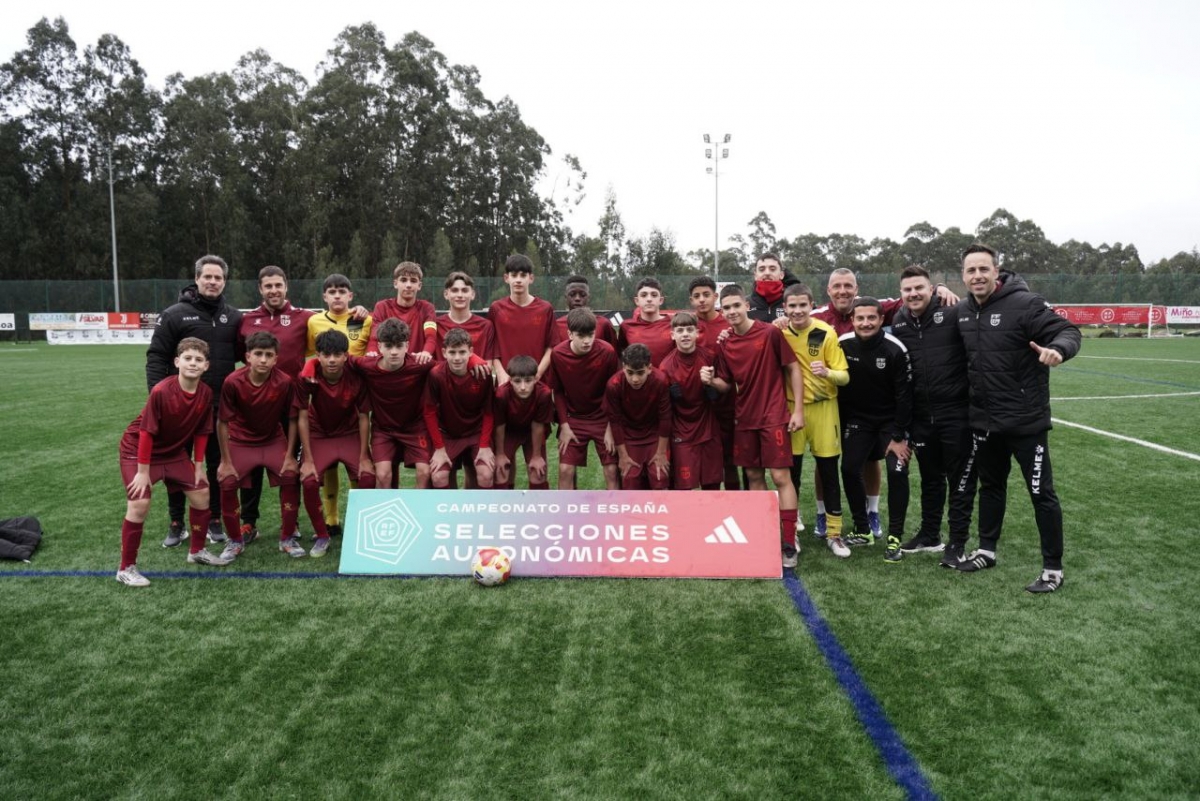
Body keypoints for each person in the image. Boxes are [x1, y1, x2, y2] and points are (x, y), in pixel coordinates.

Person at [955, 243, 1081, 593]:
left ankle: (1053, 569)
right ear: (963, 276)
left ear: (996, 271)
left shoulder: (1025, 303)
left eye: (984, 269)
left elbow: (1069, 331)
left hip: (1026, 422)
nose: (977, 276)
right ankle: (986, 551)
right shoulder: (963, 311)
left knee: (1041, 493)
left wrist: (1058, 349)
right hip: (985, 421)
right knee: (991, 488)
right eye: (971, 270)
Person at [700, 284, 805, 568]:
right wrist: (710, 380)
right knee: (754, 476)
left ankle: (788, 541)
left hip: (773, 416)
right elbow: (725, 385)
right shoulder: (725, 343)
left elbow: (793, 368)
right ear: (722, 311)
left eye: (737, 305)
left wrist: (797, 410)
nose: (732, 311)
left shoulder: (770, 333)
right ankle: (764, 536)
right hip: (744, 418)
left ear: (747, 306)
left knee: (781, 477)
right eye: (727, 308)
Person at [116, 338, 233, 586]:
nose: (193, 363)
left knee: (201, 492)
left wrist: (198, 467)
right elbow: (146, 433)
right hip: (138, 451)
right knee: (139, 503)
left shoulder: (205, 393)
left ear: (206, 366)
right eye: (188, 358)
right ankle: (126, 568)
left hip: (173, 453)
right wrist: (142, 472)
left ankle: (197, 551)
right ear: (177, 362)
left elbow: (202, 431)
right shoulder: (161, 391)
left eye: (198, 359)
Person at [146, 254, 242, 548]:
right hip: (179, 409)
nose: (213, 282)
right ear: (197, 279)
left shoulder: (234, 317)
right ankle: (177, 522)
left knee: (215, 464)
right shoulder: (174, 314)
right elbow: (157, 357)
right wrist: (158, 399)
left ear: (224, 281)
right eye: (207, 276)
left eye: (218, 277)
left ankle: (214, 519)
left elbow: (246, 354)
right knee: (177, 464)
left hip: (218, 408)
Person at [890, 265, 976, 567]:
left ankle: (957, 542)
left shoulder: (952, 311)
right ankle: (930, 535)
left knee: (960, 480)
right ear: (901, 293)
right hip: (922, 416)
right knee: (930, 478)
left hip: (956, 412)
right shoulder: (899, 320)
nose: (913, 294)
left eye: (919, 288)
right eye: (908, 289)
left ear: (931, 288)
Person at [236, 265, 314, 543]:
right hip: (255, 405)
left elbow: (337, 321)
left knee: (290, 463)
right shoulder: (246, 320)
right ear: (260, 289)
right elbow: (241, 356)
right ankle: (248, 523)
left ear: (286, 286)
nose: (273, 290)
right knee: (250, 465)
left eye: (278, 285)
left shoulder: (305, 317)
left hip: (290, 404)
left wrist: (360, 311)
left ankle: (290, 522)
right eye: (268, 286)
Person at [215, 331, 303, 559]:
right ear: (248, 357)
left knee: (290, 474)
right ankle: (235, 541)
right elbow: (222, 422)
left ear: (276, 359)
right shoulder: (233, 381)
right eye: (258, 354)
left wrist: (290, 456)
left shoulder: (284, 381)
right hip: (241, 441)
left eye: (269, 355)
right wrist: (225, 461)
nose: (263, 359)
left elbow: (293, 419)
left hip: (273, 440)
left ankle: (287, 537)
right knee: (227, 480)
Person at [837, 298, 914, 562]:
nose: (865, 323)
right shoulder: (843, 343)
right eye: (860, 318)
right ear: (852, 320)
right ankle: (862, 529)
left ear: (882, 319)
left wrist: (899, 436)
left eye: (871, 318)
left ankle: (895, 538)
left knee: (897, 471)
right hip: (859, 421)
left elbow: (905, 396)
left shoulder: (895, 348)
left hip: (891, 422)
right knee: (849, 469)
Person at [780, 284, 852, 558]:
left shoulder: (825, 332)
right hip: (791, 410)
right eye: (792, 305)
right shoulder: (779, 333)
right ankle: (791, 531)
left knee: (829, 471)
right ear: (784, 308)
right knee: (792, 474)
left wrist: (828, 373)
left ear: (812, 305)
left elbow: (844, 376)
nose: (798, 310)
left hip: (824, 409)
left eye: (803, 305)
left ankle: (834, 534)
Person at [296, 330, 376, 559]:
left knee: (368, 476)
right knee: (309, 480)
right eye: (326, 355)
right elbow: (302, 416)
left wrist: (364, 456)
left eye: (337, 354)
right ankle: (322, 535)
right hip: (319, 434)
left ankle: (360, 530)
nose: (331, 360)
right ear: (318, 355)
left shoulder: (356, 375)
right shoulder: (308, 376)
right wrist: (307, 459)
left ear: (345, 356)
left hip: (349, 432)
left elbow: (364, 416)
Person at [306, 273, 373, 535]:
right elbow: (311, 353)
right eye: (332, 292)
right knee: (330, 466)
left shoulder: (363, 318)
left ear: (350, 295)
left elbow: (371, 349)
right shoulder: (314, 321)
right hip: (326, 396)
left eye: (342, 291)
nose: (337, 296)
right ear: (324, 296)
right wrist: (310, 368)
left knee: (359, 468)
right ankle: (331, 520)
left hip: (355, 394)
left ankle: (359, 520)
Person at [548, 307, 620, 490]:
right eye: (581, 336)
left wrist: (610, 427)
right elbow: (558, 391)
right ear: (570, 334)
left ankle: (615, 508)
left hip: (603, 418)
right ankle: (565, 508)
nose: (587, 340)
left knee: (612, 470)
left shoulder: (607, 352)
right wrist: (564, 425)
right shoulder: (558, 354)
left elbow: (614, 392)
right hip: (574, 419)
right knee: (565, 470)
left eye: (591, 334)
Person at [424, 327, 496, 490]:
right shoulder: (436, 375)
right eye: (452, 352)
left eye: (462, 352)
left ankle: (480, 508)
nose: (457, 357)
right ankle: (445, 508)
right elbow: (429, 413)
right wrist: (439, 448)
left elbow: (489, 412)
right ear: (444, 352)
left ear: (471, 352)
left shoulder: (483, 374)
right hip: (448, 434)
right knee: (439, 476)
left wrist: (484, 446)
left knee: (486, 474)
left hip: (476, 432)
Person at [659, 313, 723, 491]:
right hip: (682, 431)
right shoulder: (666, 366)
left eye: (689, 330)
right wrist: (670, 396)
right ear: (672, 335)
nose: (685, 334)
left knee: (712, 485)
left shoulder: (709, 357)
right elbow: (662, 408)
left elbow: (725, 389)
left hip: (708, 427)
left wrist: (713, 389)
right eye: (680, 330)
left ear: (697, 333)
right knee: (685, 487)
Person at [688, 276, 740, 490]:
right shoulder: (687, 324)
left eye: (706, 295)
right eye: (697, 296)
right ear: (691, 300)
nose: (702, 299)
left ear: (715, 296)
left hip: (726, 401)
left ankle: (734, 503)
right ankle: (708, 505)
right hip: (696, 405)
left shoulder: (728, 324)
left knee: (730, 459)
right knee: (701, 460)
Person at [604, 344, 672, 490]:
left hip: (653, 433)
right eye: (630, 373)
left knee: (660, 475)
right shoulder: (614, 385)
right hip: (629, 434)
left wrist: (661, 452)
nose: (635, 379)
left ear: (649, 368)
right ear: (623, 367)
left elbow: (665, 418)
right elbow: (615, 422)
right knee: (630, 477)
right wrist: (623, 456)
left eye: (640, 373)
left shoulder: (660, 381)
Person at [488, 254, 556, 385]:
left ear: (531, 278)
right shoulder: (496, 308)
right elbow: (491, 345)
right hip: (506, 382)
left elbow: (552, 346)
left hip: (537, 383)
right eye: (514, 275)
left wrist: (537, 374)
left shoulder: (545, 308)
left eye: (523, 275)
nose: (518, 280)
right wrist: (500, 373)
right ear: (506, 278)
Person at [493, 355, 553, 490]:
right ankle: (505, 500)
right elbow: (500, 425)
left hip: (532, 433)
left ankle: (539, 502)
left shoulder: (544, 393)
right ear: (510, 380)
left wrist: (536, 456)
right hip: (508, 432)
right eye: (517, 381)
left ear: (536, 378)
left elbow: (538, 425)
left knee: (538, 473)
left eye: (528, 381)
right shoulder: (501, 394)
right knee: (500, 471)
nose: (523, 387)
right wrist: (500, 454)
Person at [366, 261, 438, 360]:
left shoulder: (427, 308)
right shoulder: (382, 307)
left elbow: (430, 336)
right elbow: (375, 337)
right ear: (395, 284)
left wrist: (426, 353)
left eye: (413, 281)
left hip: (416, 363)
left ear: (419, 285)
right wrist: (372, 352)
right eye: (403, 280)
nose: (408, 285)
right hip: (389, 364)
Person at [436, 271, 497, 362]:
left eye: (465, 290)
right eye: (454, 290)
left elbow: (488, 364)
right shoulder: (436, 325)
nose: (460, 295)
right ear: (446, 294)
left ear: (472, 294)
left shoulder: (486, 326)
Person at [616, 278, 675, 367]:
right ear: (637, 301)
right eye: (644, 295)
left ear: (661, 300)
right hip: (639, 376)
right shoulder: (626, 326)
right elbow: (621, 354)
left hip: (668, 376)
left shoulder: (673, 324)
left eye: (654, 295)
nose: (649, 299)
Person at [553, 275, 617, 348]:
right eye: (572, 294)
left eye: (582, 295)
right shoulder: (556, 326)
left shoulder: (603, 324)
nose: (577, 298)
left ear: (588, 297)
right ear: (566, 297)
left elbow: (614, 351)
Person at [747, 252, 802, 323]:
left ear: (781, 275)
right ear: (755, 275)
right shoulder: (744, 304)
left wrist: (792, 322)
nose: (767, 273)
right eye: (762, 269)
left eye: (772, 269)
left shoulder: (797, 301)